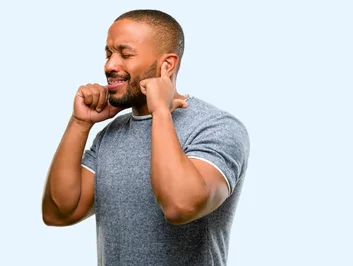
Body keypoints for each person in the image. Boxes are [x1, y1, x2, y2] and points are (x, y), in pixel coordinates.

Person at [41, 9, 250, 266]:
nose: (110, 66)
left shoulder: (215, 127)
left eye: (125, 54)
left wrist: (160, 111)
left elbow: (179, 205)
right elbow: (59, 212)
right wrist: (80, 123)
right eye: (108, 54)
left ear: (167, 65)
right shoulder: (111, 135)